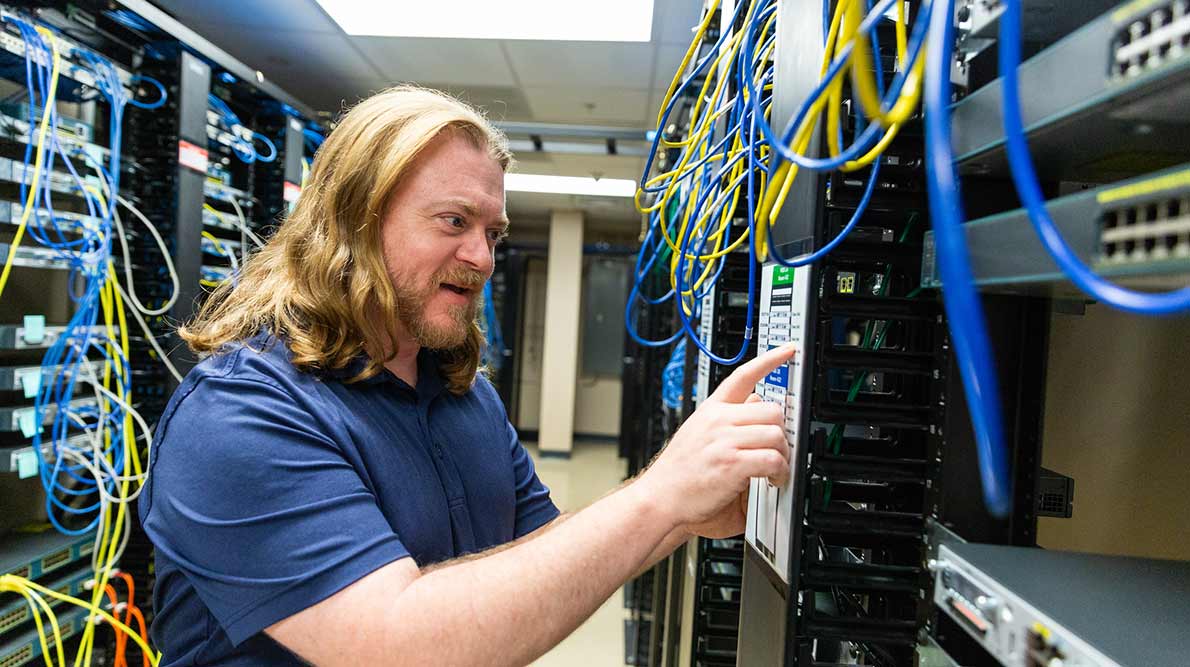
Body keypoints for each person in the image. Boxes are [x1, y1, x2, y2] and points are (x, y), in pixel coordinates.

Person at [140, 86, 794, 667]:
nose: (481, 256)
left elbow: (544, 553)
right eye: (454, 221)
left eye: (493, 231)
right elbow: (397, 644)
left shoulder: (464, 393)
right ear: (355, 221)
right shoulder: (242, 413)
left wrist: (681, 514)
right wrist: (660, 498)